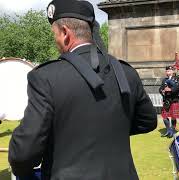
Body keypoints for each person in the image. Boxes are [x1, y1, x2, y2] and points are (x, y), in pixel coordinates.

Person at [8, 0, 157, 179]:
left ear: (65, 33)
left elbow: (23, 153)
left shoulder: (45, 77)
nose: (55, 40)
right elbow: (147, 121)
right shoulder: (126, 71)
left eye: (54, 34)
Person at [159, 66, 179, 138]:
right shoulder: (164, 80)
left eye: (169, 71)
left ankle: (173, 130)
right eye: (167, 71)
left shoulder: (176, 79)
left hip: (174, 100)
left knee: (173, 117)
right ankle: (168, 130)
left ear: (173, 71)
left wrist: (171, 89)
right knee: (164, 116)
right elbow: (160, 88)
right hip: (166, 100)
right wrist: (162, 91)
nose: (167, 72)